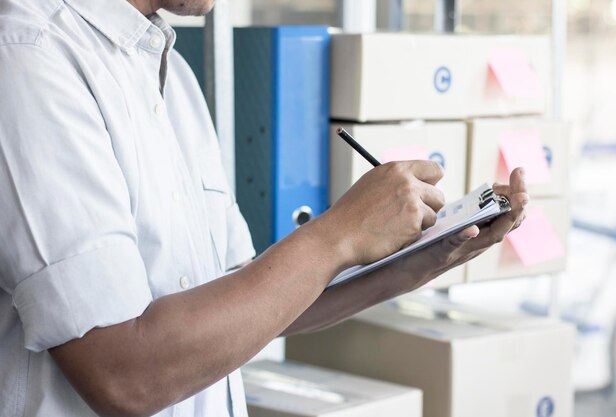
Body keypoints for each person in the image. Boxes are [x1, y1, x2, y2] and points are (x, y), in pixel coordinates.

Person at [0, 0, 528, 416]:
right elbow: (122, 375)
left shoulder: (173, 77)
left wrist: (420, 263)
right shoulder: (29, 55)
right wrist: (337, 234)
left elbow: (249, 305)